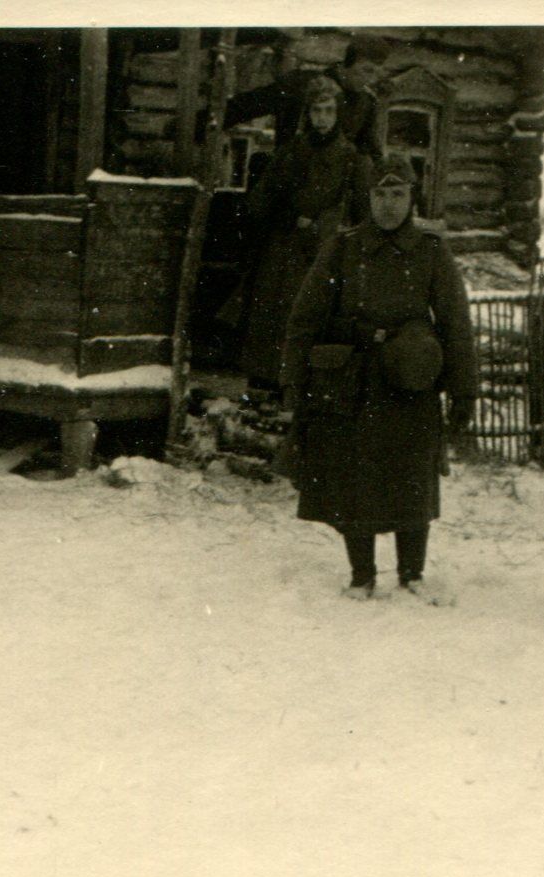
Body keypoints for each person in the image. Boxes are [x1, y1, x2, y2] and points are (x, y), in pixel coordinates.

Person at [282, 154, 477, 599]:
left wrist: (464, 391)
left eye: (397, 194)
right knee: (355, 480)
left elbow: (456, 325)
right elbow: (304, 318)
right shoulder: (342, 248)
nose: (388, 204)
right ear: (368, 198)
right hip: (355, 384)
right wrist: (292, 379)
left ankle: (412, 575)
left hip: (412, 381)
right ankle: (362, 575)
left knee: (413, 477)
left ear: (412, 198)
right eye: (380, 194)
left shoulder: (431, 250)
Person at [239, 77, 372, 393]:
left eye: (328, 111)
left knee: (313, 319)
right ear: (307, 114)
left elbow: (362, 214)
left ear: (338, 114)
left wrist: (325, 225)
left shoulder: (351, 158)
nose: (322, 118)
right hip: (283, 250)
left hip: (323, 252)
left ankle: (304, 387)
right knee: (272, 319)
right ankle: (265, 387)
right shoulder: (291, 152)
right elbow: (259, 200)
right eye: (316, 111)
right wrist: (286, 214)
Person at [224, 35, 390, 160]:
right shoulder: (301, 84)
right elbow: (240, 108)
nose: (371, 80)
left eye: (376, 73)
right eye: (367, 70)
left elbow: (369, 153)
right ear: (346, 63)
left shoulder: (366, 103)